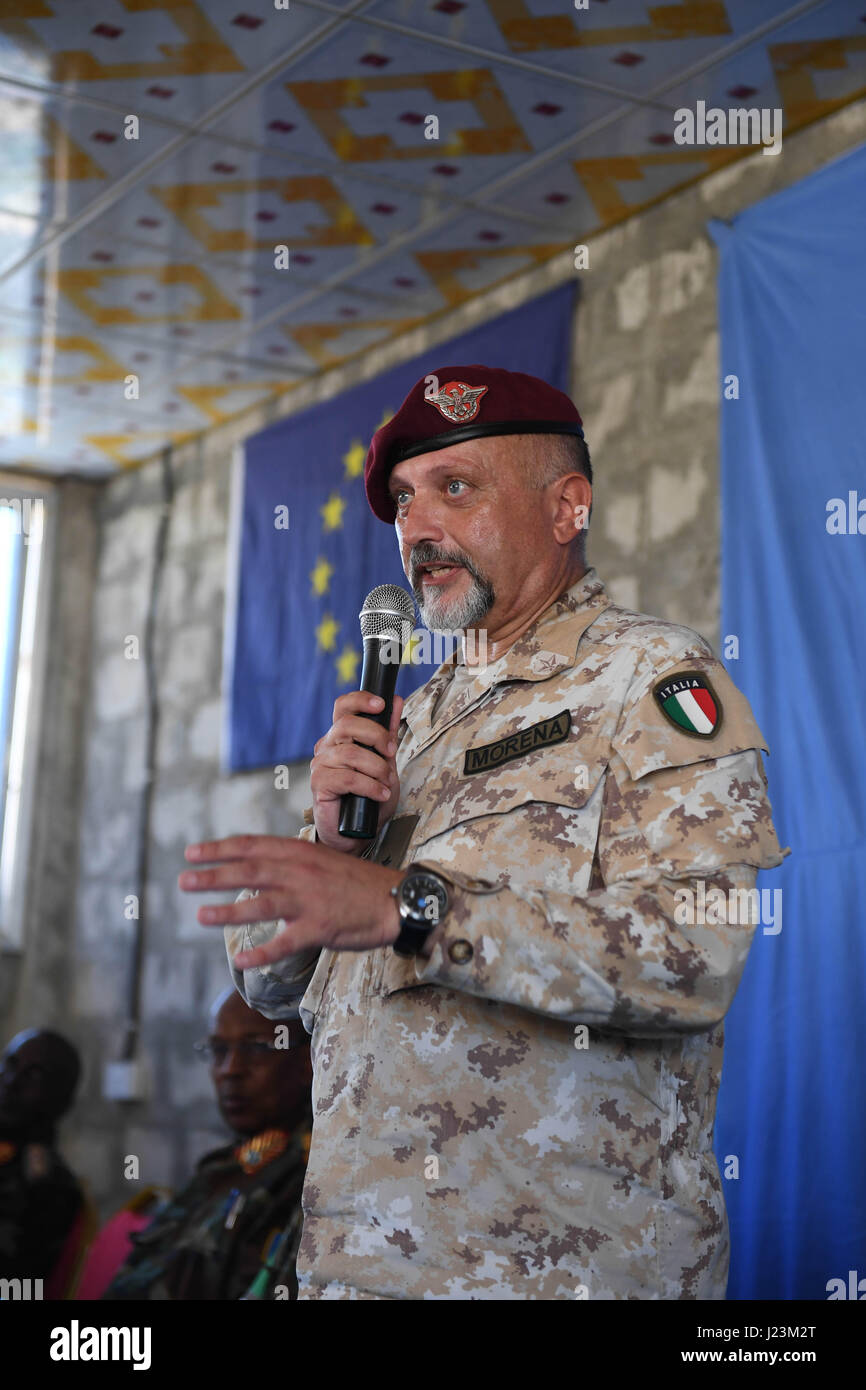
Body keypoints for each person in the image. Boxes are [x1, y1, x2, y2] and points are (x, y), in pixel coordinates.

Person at [180, 364, 785, 1300]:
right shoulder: (406, 720)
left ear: (566, 506)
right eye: (405, 502)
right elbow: (265, 983)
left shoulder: (652, 679)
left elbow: (696, 955)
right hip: (356, 1271)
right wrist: (335, 853)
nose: (418, 530)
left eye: (456, 489)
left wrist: (409, 907)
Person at [103, 988, 312, 1300]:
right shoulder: (224, 1167)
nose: (230, 1070)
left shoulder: (312, 1183)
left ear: (309, 1060)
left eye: (255, 1048)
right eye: (218, 1050)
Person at [0, 1028, 83, 1280]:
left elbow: (20, 1289)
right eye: (9, 1065)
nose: (11, 1082)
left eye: (34, 1075)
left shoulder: (49, 1189)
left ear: (63, 1101)